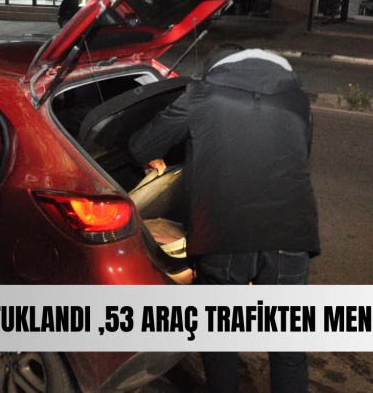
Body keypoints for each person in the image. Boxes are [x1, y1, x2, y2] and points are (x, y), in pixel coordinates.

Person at [128, 44, 320, 393]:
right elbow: (298, 154)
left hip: (224, 233)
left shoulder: (201, 95)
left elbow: (142, 147)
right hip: (292, 233)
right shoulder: (297, 100)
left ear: (216, 71)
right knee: (288, 347)